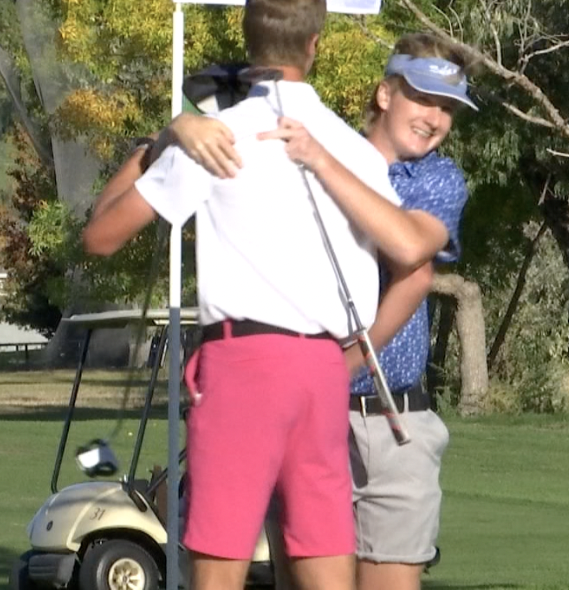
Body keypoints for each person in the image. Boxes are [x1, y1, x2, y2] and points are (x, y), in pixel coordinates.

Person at [81, 0, 437, 590]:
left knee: (219, 565)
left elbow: (100, 236)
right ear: (314, 44)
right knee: (324, 559)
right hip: (324, 370)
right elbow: (409, 258)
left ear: (248, 44)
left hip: (242, 364)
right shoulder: (354, 151)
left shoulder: (214, 139)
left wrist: (164, 137)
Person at [173, 32, 475, 590]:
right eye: (424, 99)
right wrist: (184, 122)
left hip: (392, 422)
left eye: (448, 108)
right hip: (302, 415)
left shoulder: (435, 179)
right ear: (386, 95)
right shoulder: (311, 142)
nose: (435, 118)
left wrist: (348, 364)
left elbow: (413, 258)